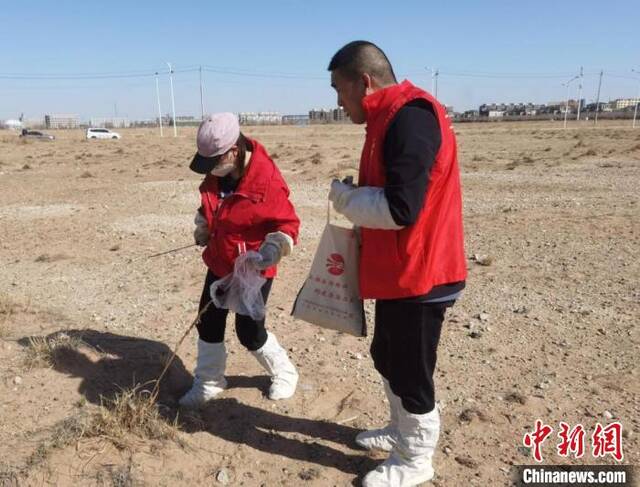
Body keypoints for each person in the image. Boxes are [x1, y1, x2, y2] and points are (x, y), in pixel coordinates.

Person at [327, 41, 467, 486]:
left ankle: (415, 459)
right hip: (397, 272)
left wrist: (349, 201)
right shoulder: (384, 118)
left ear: (364, 82)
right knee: (386, 356)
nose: (337, 101)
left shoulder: (411, 117)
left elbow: (403, 208)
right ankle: (399, 429)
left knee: (411, 370)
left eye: (339, 89)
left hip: (423, 274)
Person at [180, 113, 300, 408]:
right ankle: (209, 382)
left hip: (252, 268)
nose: (211, 170)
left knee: (248, 331)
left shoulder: (267, 181)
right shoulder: (216, 172)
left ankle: (285, 372)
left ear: (234, 151)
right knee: (207, 321)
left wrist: (275, 248)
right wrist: (204, 227)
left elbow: (287, 224)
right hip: (220, 260)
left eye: (214, 162)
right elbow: (209, 205)